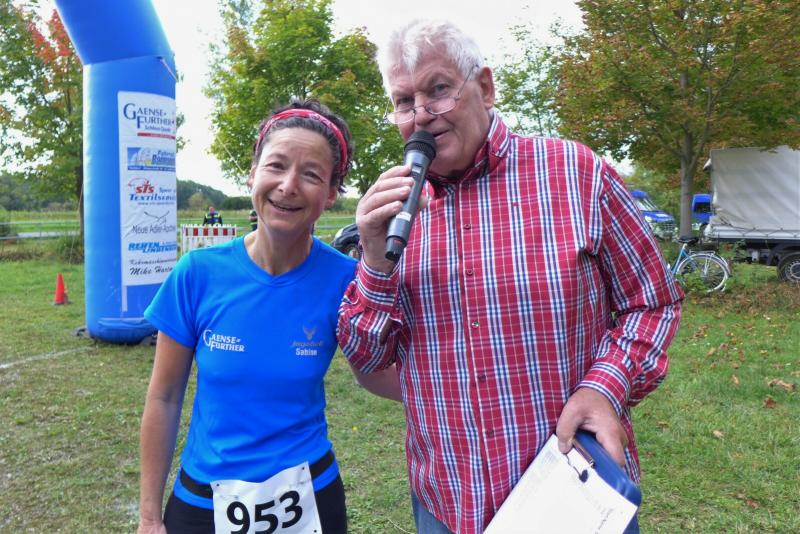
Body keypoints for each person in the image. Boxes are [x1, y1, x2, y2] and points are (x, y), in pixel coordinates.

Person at [337, 19, 684, 534]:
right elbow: (367, 359)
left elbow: (652, 301)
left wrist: (605, 388)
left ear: (485, 86)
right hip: (448, 501)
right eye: (404, 101)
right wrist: (374, 260)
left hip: (573, 496)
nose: (422, 114)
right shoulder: (395, 213)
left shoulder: (577, 175)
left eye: (438, 89)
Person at [138, 99, 400, 534]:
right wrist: (149, 517)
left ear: (332, 193)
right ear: (253, 173)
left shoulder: (345, 279)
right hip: (204, 500)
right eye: (276, 166)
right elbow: (164, 398)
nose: (288, 185)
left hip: (310, 496)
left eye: (311, 174)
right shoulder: (197, 274)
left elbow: (371, 374)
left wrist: (457, 391)